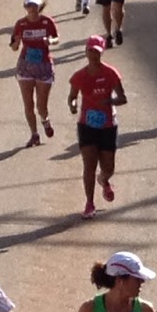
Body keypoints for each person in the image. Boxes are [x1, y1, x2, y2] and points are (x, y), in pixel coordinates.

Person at [67, 36, 127, 219]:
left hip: (108, 124)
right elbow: (72, 96)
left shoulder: (110, 73)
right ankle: (89, 203)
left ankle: (104, 179)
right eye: (90, 50)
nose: (93, 54)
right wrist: (73, 105)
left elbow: (123, 98)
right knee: (89, 164)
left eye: (96, 51)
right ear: (85, 51)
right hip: (87, 124)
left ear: (102, 52)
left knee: (108, 167)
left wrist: (109, 101)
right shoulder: (79, 76)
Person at [8, 0, 59, 147]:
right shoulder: (21, 24)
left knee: (41, 106)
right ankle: (34, 134)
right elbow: (13, 47)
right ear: (25, 7)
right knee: (28, 104)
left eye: (34, 5)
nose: (32, 8)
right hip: (26, 65)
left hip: (43, 65)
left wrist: (49, 40)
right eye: (29, 5)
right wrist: (16, 43)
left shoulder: (47, 22)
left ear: (38, 6)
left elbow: (56, 38)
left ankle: (45, 121)